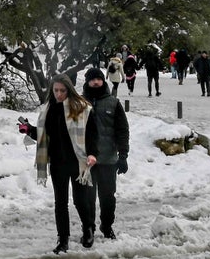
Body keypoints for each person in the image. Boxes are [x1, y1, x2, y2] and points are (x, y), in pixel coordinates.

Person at [19, 74, 97, 253]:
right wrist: (29, 130)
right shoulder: (48, 109)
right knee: (60, 203)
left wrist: (93, 153)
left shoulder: (82, 108)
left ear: (69, 90)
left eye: (63, 90)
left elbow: (92, 134)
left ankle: (88, 228)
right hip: (57, 163)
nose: (59, 94)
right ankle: (63, 240)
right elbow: (43, 135)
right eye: (56, 90)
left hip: (78, 162)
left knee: (80, 201)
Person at [82, 67, 130, 241]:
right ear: (87, 81)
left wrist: (123, 156)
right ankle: (88, 228)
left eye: (99, 79)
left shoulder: (113, 103)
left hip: (109, 158)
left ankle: (107, 225)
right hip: (86, 160)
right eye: (92, 79)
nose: (96, 82)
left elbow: (122, 130)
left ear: (103, 81)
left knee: (108, 197)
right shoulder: (79, 103)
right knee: (87, 198)